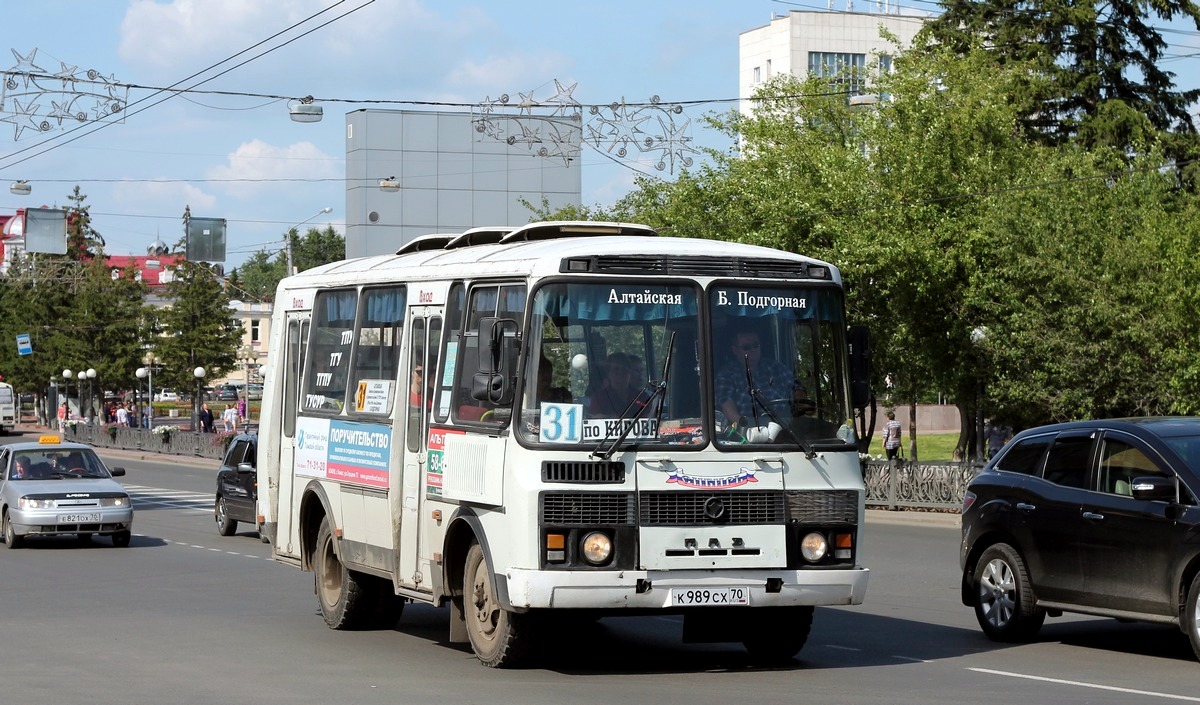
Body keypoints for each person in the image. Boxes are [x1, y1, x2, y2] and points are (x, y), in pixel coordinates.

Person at [715, 329, 797, 427]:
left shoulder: (775, 367)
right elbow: (726, 404)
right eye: (746, 347)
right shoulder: (727, 374)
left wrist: (800, 397)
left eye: (756, 346)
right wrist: (744, 426)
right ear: (735, 350)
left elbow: (796, 387)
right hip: (749, 434)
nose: (753, 351)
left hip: (787, 430)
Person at [588, 352, 645, 416]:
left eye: (624, 369)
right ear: (608, 373)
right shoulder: (599, 399)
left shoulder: (642, 396)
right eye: (616, 369)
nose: (620, 373)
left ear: (629, 372)